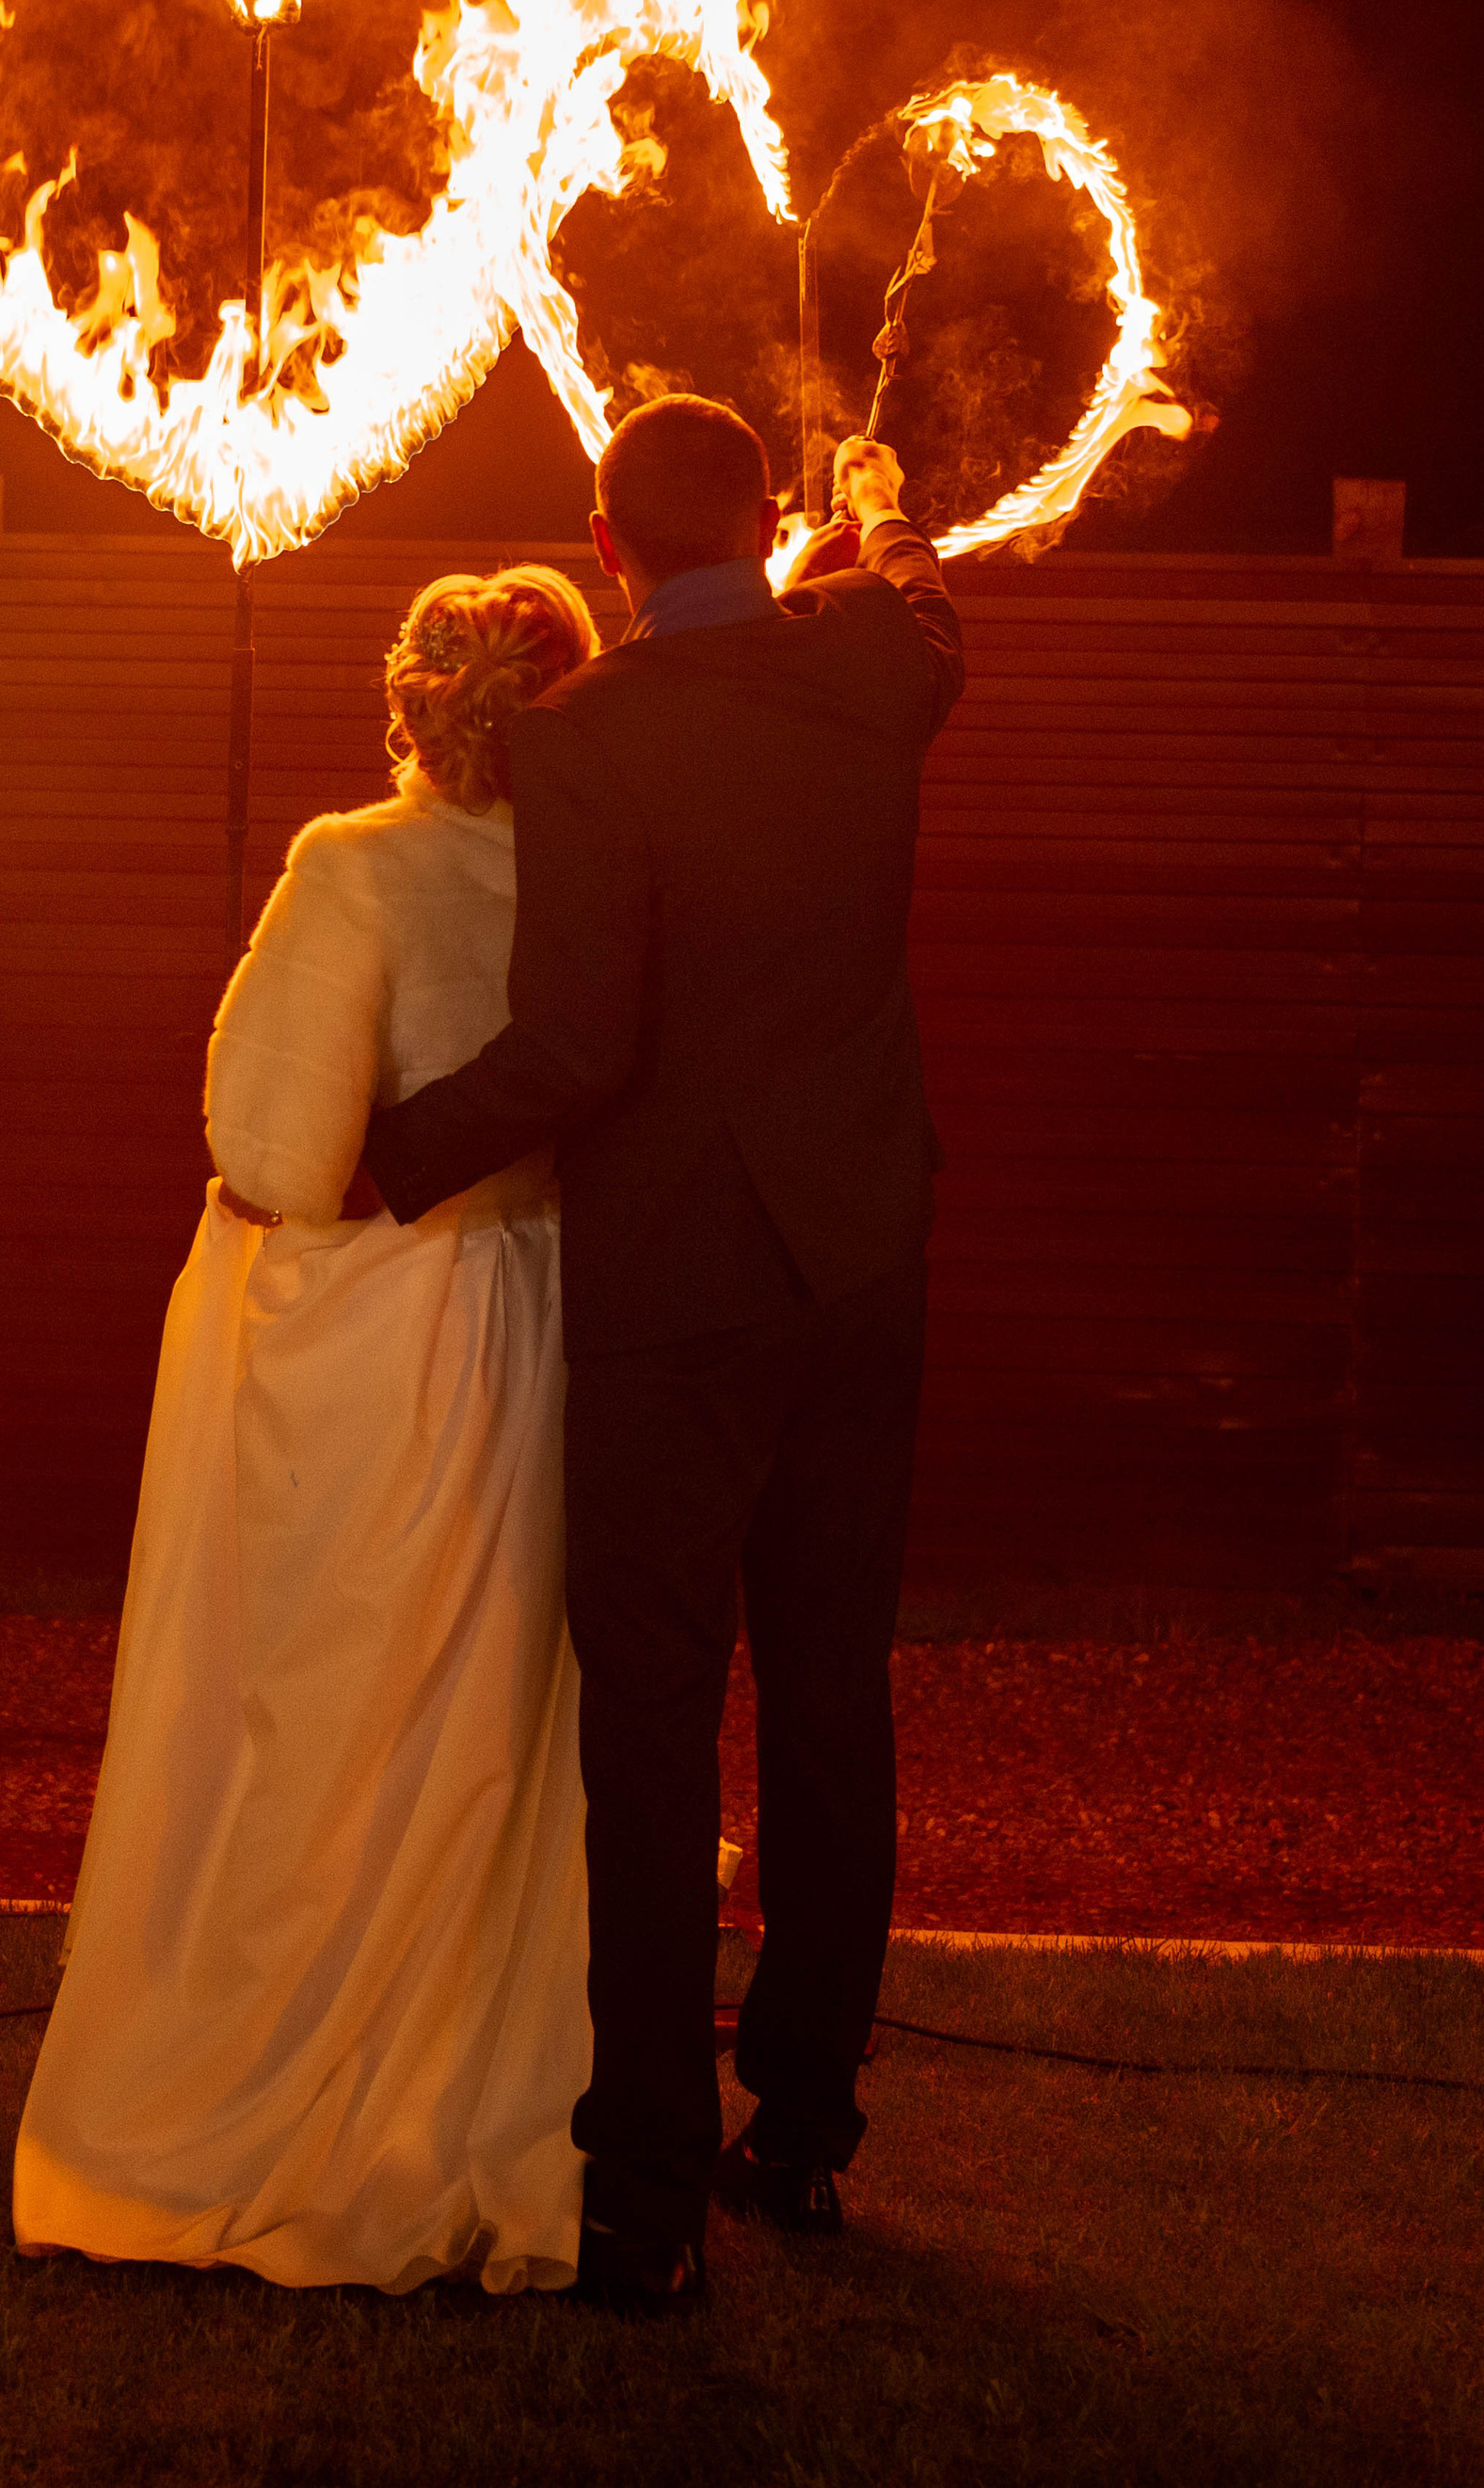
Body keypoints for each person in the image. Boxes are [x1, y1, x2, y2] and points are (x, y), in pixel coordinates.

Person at [361, 398, 964, 2308]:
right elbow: (926, 609)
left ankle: (642, 2200)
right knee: (830, 1698)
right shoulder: (876, 668)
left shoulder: (586, 738)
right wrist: (882, 510)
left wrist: (382, 1157)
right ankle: (801, 2132)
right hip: (859, 1273)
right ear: (768, 527)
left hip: (683, 1294)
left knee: (648, 1730)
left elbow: (572, 1050)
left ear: (603, 548)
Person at [13, 564, 600, 2294]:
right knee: (495, 1712)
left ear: (416, 699)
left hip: (391, 1332)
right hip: (548, 1317)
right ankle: (470, 2079)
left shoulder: (353, 864)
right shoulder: (594, 875)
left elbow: (279, 1149)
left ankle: (270, 2090)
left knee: (326, 1700)